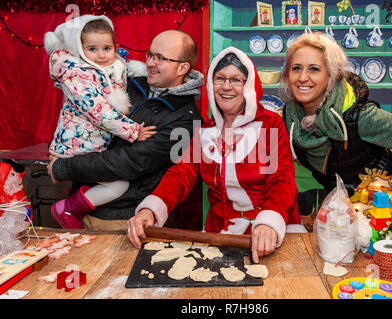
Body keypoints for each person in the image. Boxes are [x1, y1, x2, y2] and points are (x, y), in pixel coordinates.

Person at [127, 47, 304, 263]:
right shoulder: (203, 129)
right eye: (220, 79)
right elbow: (182, 172)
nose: (226, 87)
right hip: (219, 232)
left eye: (236, 80)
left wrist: (268, 222)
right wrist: (151, 209)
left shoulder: (269, 125)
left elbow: (281, 180)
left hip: (266, 233)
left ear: (249, 86)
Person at [47, 29, 204, 231]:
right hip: (83, 207)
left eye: (161, 58)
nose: (150, 63)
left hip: (124, 219)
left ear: (182, 67)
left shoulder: (187, 119)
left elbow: (131, 161)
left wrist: (64, 167)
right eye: (150, 55)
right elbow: (87, 110)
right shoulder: (130, 83)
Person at [280, 32, 392, 216]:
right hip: (343, 204)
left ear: (331, 75)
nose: (302, 77)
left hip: (383, 204)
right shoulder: (291, 117)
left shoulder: (359, 117)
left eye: (314, 69)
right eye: (296, 68)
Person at [44, 15, 155, 229]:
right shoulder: (76, 74)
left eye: (107, 48)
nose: (102, 55)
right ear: (80, 49)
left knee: (116, 182)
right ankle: (68, 208)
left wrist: (138, 71)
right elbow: (98, 111)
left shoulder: (111, 67)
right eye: (92, 49)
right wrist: (132, 131)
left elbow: (119, 76)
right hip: (76, 146)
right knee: (119, 184)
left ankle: (71, 206)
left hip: (94, 144)